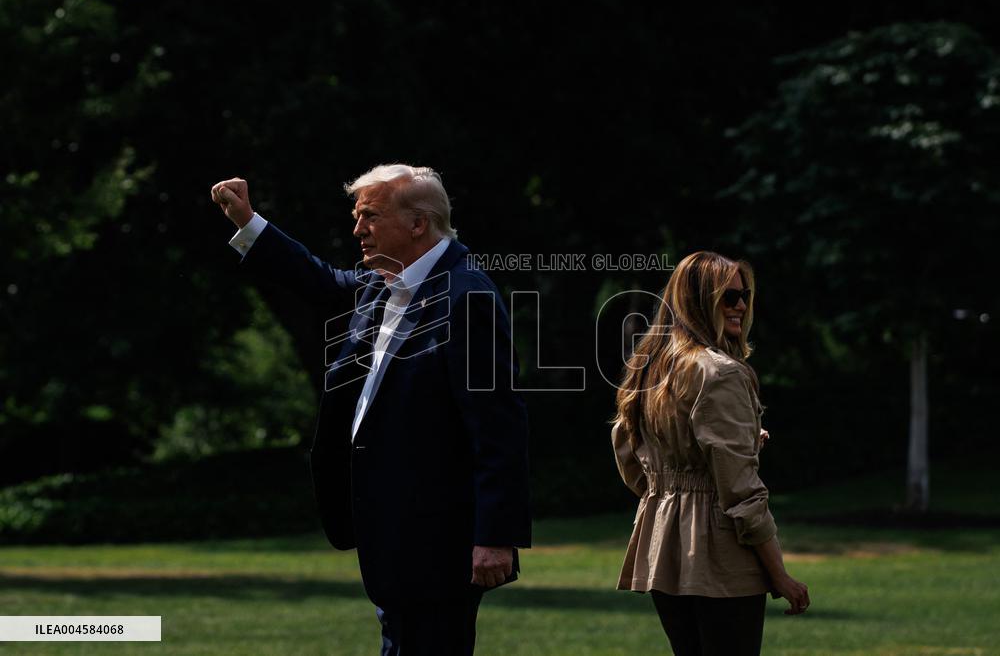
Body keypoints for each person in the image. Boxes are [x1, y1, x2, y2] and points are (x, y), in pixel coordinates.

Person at [210, 164, 531, 655]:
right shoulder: (381, 281)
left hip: (437, 536)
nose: (357, 229)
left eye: (371, 216)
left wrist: (496, 536)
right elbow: (318, 281)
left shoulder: (468, 297)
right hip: (391, 529)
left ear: (418, 224)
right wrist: (249, 222)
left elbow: (498, 427)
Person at [611, 251, 809, 656]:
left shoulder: (651, 369)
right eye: (729, 296)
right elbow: (741, 492)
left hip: (662, 549)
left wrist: (672, 496)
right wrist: (781, 576)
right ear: (699, 301)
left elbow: (628, 453)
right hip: (719, 556)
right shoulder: (721, 372)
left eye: (745, 295)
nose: (741, 306)